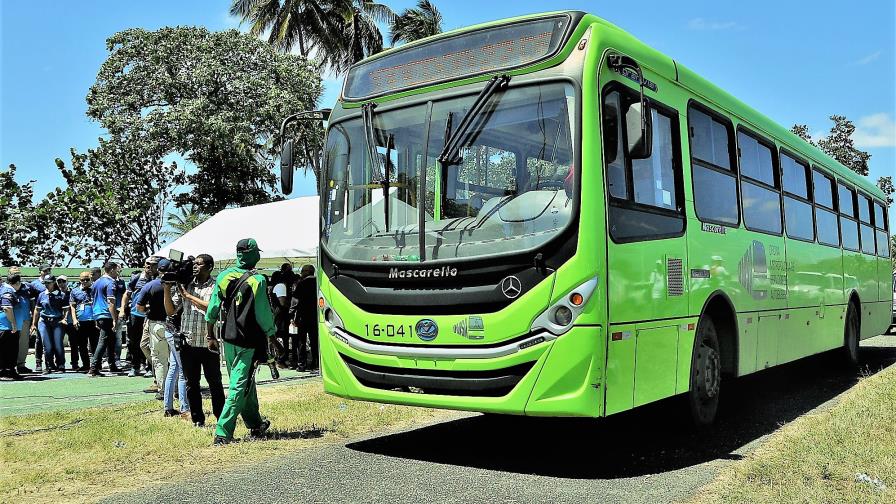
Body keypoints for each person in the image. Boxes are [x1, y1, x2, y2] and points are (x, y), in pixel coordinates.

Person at [205, 238, 282, 445]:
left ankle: (255, 424)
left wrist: (211, 335)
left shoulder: (223, 276)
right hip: (248, 340)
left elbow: (212, 309)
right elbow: (263, 313)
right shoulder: (258, 280)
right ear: (252, 254)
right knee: (239, 385)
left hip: (228, 338)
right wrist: (272, 336)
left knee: (246, 382)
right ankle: (223, 432)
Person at [163, 253, 224, 427]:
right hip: (188, 343)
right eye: (194, 264)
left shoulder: (215, 286)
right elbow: (171, 311)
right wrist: (167, 288)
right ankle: (198, 419)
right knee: (192, 384)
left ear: (209, 267)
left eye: (199, 264)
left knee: (215, 383)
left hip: (208, 342)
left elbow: (211, 307)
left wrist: (188, 297)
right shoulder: (187, 285)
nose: (195, 267)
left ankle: (221, 418)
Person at [137, 259, 187, 415]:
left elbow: (139, 308)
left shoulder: (150, 285)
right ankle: (179, 399)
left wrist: (149, 311)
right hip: (174, 326)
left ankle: (163, 392)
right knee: (177, 365)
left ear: (157, 269)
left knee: (161, 362)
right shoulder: (178, 285)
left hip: (157, 325)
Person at [122, 257, 158, 377]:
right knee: (134, 342)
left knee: (149, 342)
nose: (149, 266)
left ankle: (149, 367)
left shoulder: (157, 279)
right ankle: (135, 366)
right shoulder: (136, 278)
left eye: (153, 265)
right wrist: (122, 309)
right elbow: (126, 295)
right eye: (147, 264)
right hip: (135, 314)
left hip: (150, 315)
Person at [88, 262, 121, 376]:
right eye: (117, 270)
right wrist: (115, 319)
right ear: (111, 270)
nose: (118, 272)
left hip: (98, 313)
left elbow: (92, 300)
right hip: (106, 314)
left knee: (110, 340)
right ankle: (94, 367)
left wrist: (95, 317)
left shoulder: (96, 282)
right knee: (103, 340)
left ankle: (112, 365)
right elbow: (111, 302)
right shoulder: (110, 283)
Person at [30, 275, 69, 374]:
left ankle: (61, 365)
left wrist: (64, 319)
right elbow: (37, 310)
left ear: (53, 283)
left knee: (58, 344)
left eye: (48, 283)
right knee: (46, 345)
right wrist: (34, 324)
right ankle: (49, 366)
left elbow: (66, 310)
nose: (46, 285)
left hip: (57, 321)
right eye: (45, 283)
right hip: (44, 321)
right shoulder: (42, 295)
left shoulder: (61, 295)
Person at [291, 264, 319, 372]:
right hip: (315, 316)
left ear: (307, 272)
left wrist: (291, 314)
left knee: (301, 341)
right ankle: (316, 362)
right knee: (315, 340)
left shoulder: (301, 284)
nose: (301, 273)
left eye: (303, 271)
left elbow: (295, 301)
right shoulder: (318, 283)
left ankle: (302, 365)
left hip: (303, 316)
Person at [0, 272, 27, 381]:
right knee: (10, 349)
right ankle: (10, 371)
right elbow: (7, 308)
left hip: (5, 325)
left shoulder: (4, 289)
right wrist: (13, 324)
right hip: (7, 326)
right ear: (18, 282)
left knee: (4, 350)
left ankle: (4, 371)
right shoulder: (8, 290)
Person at [9, 266, 35, 375]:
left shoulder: (28, 287)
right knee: (9, 344)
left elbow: (33, 304)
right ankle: (9, 366)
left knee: (23, 343)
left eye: (18, 273)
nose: (16, 275)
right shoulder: (6, 288)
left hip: (25, 319)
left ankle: (21, 365)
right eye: (14, 273)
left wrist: (33, 320)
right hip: (9, 321)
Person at [28, 264, 52, 372]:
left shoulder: (53, 281)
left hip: (53, 316)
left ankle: (50, 363)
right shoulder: (34, 284)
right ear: (40, 272)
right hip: (39, 316)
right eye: (45, 270)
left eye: (49, 270)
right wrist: (34, 317)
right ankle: (38, 362)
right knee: (39, 340)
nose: (47, 272)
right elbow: (31, 301)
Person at [69, 272, 95, 372]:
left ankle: (95, 365)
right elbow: (72, 306)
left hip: (93, 321)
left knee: (94, 344)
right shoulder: (74, 291)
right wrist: (74, 319)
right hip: (81, 321)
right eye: (82, 280)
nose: (84, 282)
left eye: (87, 279)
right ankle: (86, 365)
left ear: (91, 279)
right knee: (82, 345)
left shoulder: (95, 290)